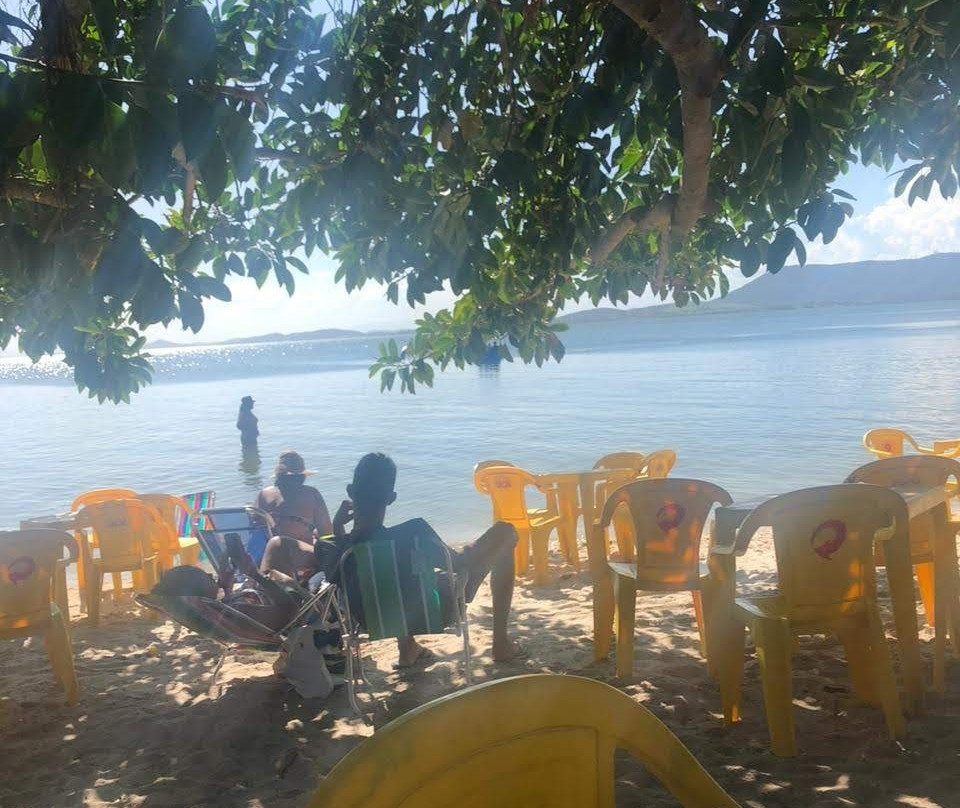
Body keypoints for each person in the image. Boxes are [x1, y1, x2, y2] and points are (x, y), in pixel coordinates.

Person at [323, 452, 521, 666]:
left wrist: (338, 529)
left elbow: (334, 584)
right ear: (391, 498)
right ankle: (501, 643)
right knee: (506, 533)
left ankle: (407, 648)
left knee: (389, 576)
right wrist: (478, 548)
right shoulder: (415, 533)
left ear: (350, 492)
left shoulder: (335, 548)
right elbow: (458, 564)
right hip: (432, 613)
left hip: (372, 621)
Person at [258, 450, 333, 579]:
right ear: (301, 476)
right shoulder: (311, 494)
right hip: (298, 560)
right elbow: (327, 533)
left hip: (265, 558)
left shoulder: (264, 494)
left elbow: (254, 528)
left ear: (278, 476)